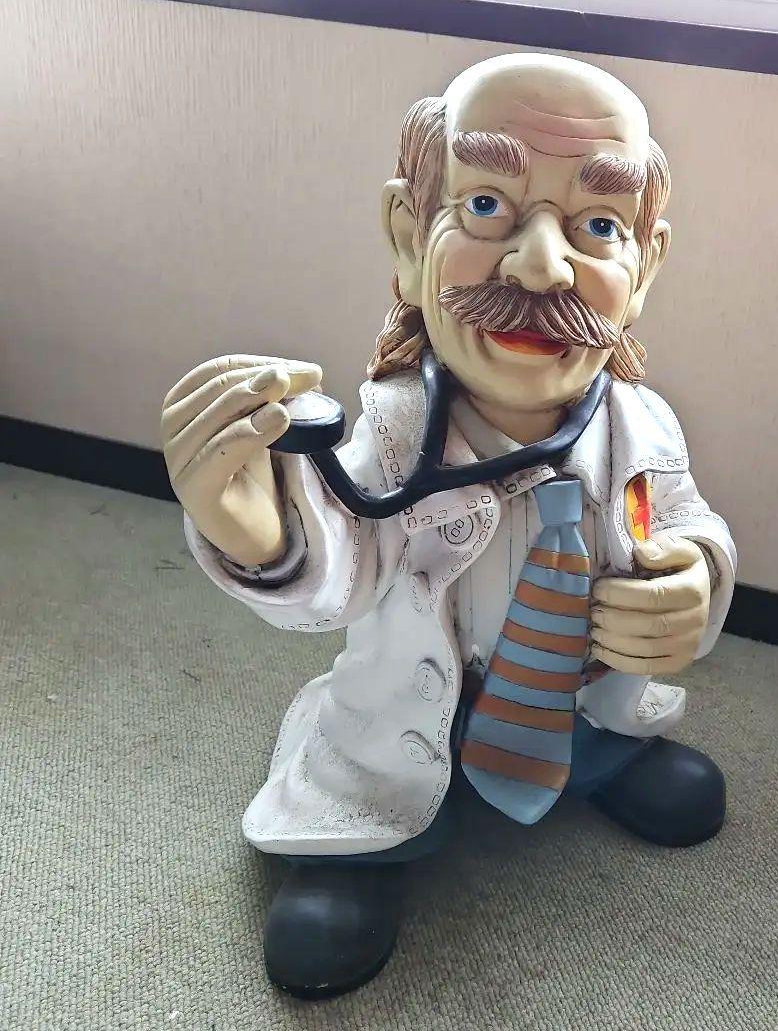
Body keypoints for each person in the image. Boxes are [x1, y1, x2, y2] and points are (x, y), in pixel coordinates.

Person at [161, 53, 736, 999]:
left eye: (599, 225)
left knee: (618, 743)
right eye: (485, 207)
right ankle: (359, 847)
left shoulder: (645, 429)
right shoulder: (394, 436)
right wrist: (261, 535)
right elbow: (344, 562)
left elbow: (682, 519)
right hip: (410, 714)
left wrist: (695, 581)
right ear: (406, 234)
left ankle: (602, 755)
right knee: (368, 815)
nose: (541, 266)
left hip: (570, 697)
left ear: (645, 266)